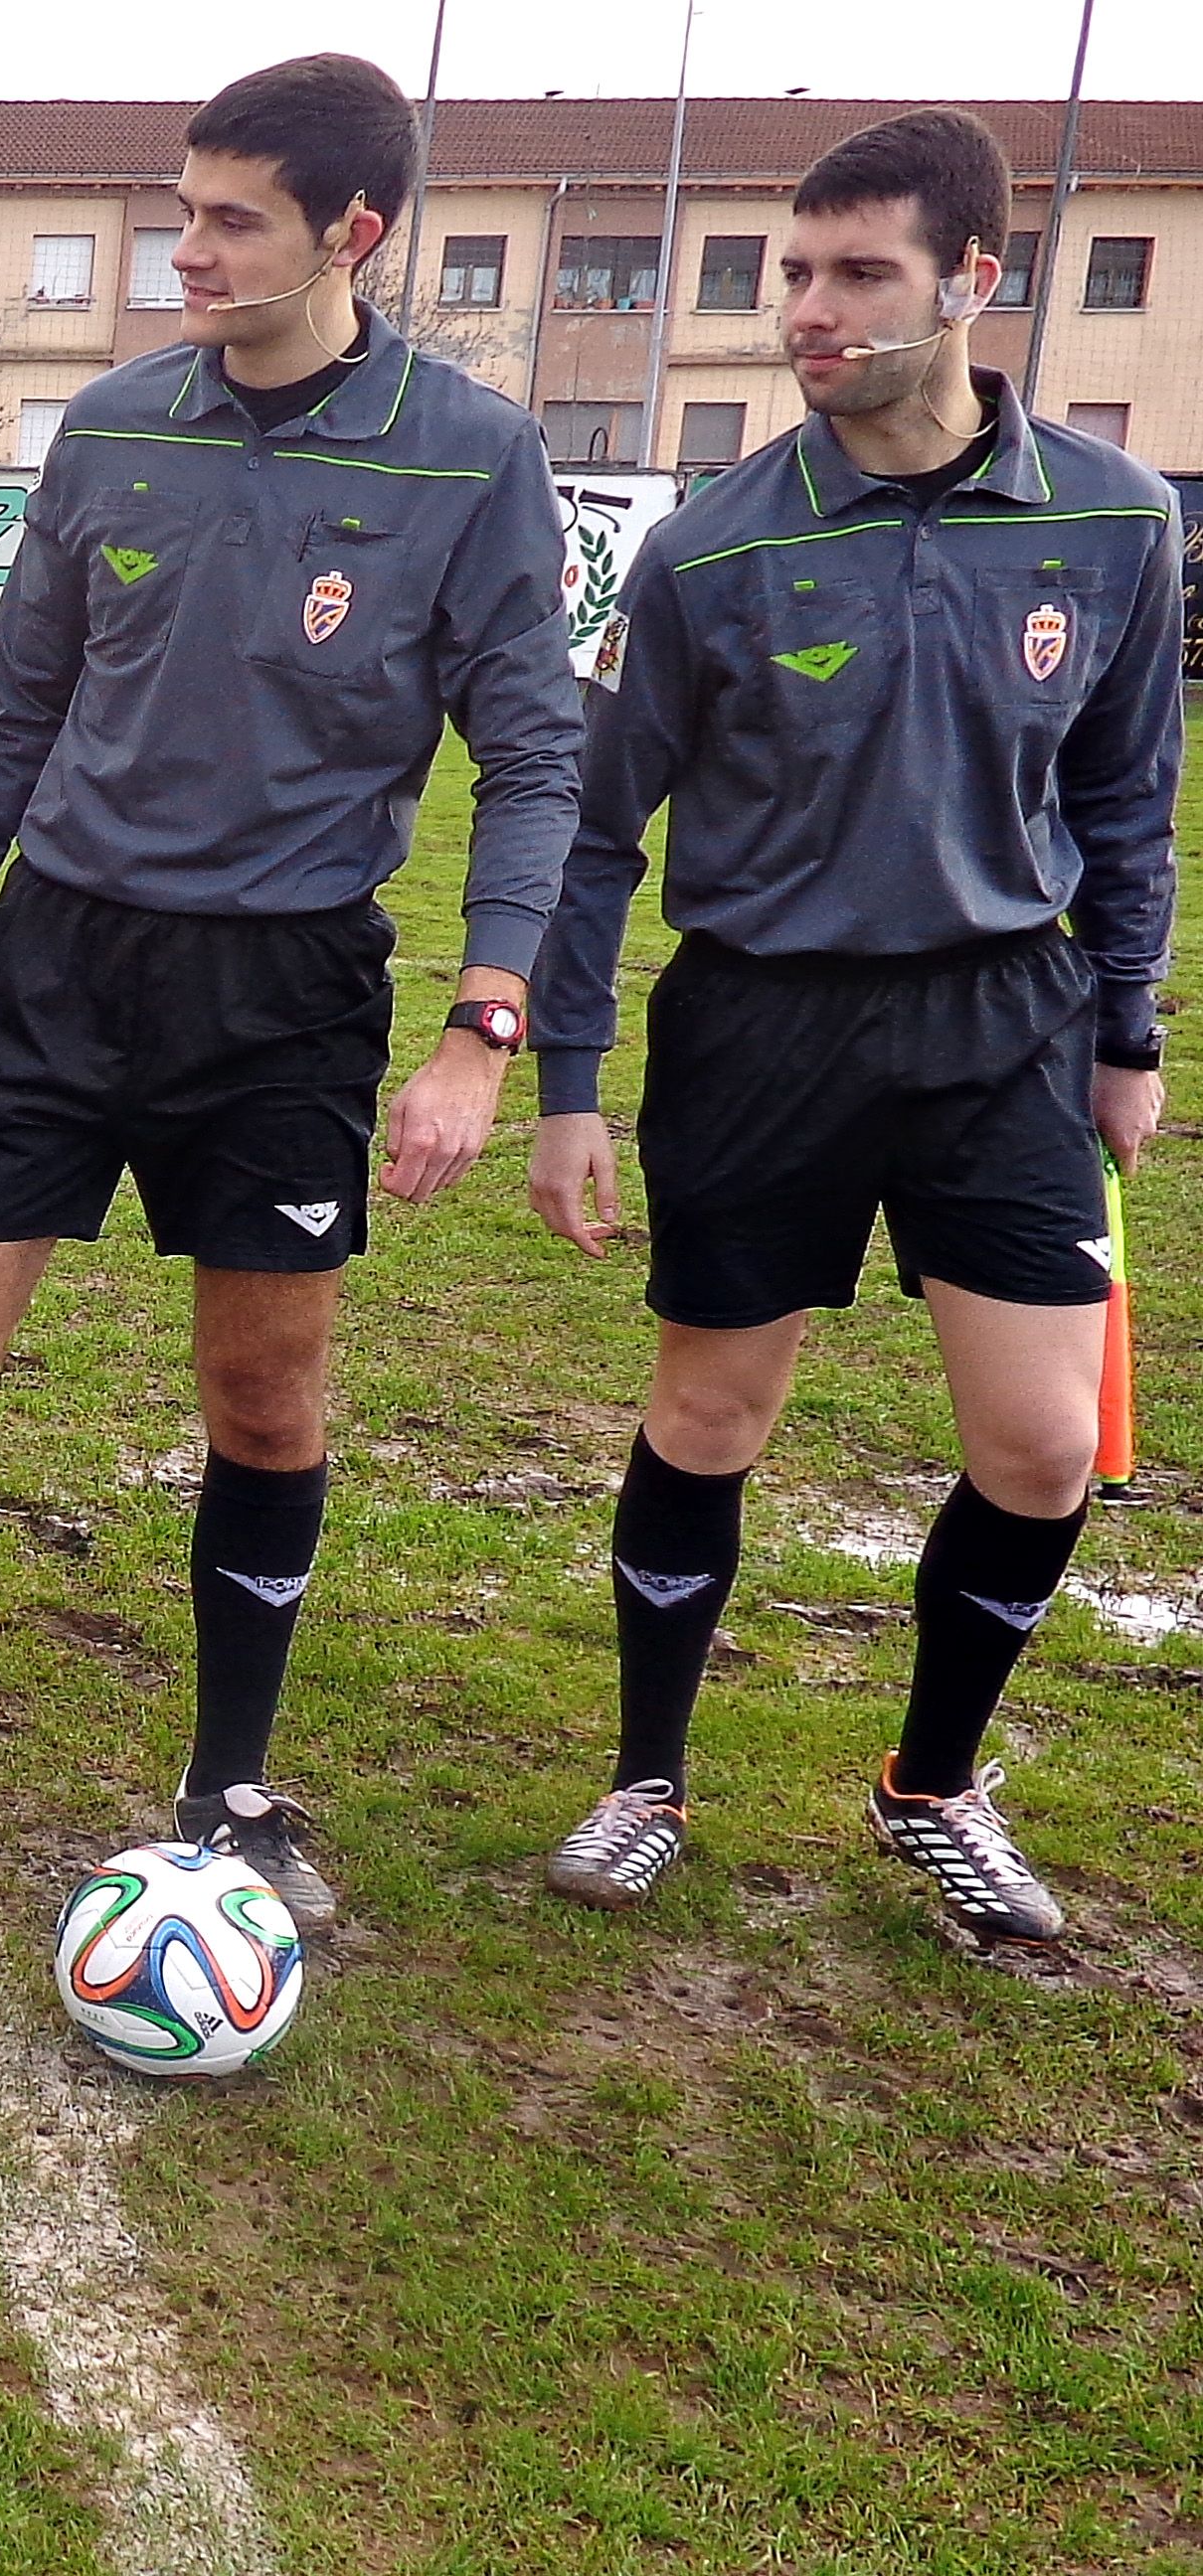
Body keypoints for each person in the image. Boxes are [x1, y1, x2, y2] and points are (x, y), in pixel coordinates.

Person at [0, 54, 584, 1933]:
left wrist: (483, 1021)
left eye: (230, 223)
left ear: (352, 236)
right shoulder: (116, 425)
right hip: (55, 954)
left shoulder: (468, 454)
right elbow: (22, 700)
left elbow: (535, 759)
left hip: (287, 989)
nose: (183, 254)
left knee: (262, 1395)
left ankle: (230, 1779)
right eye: (179, 211)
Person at [528, 108, 1181, 1939]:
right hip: (758, 1026)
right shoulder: (708, 550)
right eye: (788, 276)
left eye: (855, 275)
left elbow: (1129, 799)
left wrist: (1125, 1031)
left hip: (1005, 1026)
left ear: (974, 279)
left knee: (1043, 1448)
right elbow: (592, 836)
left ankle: (932, 1783)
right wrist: (567, 1086)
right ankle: (646, 1775)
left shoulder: (1110, 521)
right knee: (710, 1408)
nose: (806, 313)